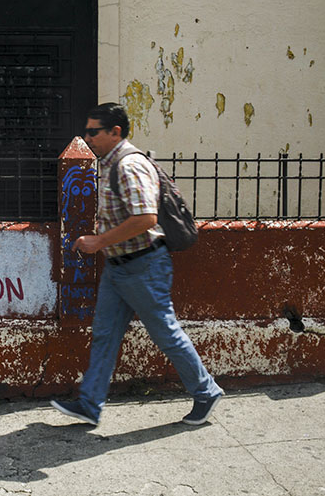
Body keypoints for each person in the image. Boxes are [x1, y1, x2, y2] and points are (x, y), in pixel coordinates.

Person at [51, 102, 223, 426]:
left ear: (115, 132)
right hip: (120, 267)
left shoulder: (129, 165)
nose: (88, 138)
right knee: (104, 334)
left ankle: (205, 391)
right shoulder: (111, 162)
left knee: (166, 333)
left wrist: (99, 241)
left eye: (94, 132)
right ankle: (89, 404)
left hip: (142, 266)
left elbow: (146, 218)